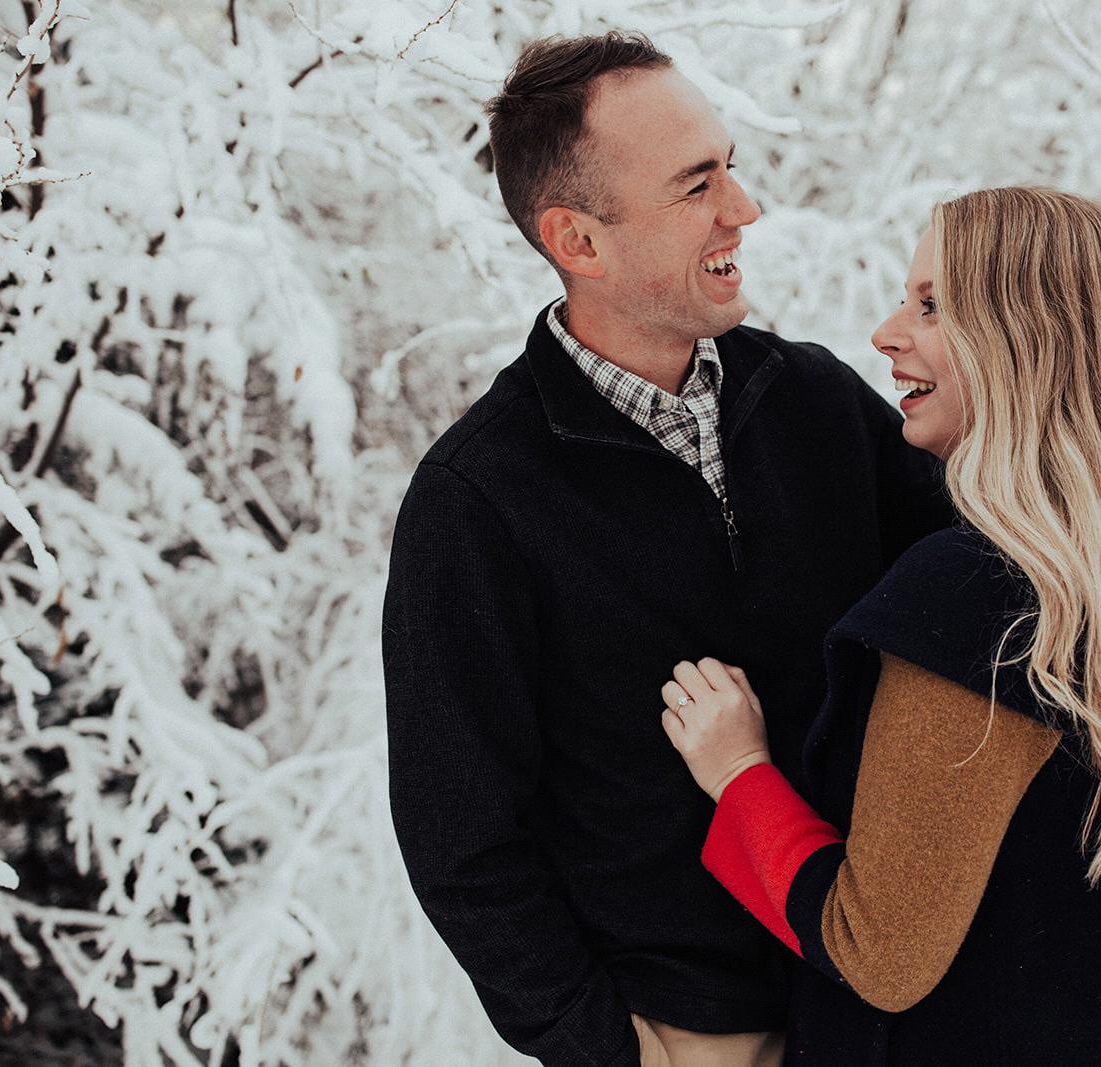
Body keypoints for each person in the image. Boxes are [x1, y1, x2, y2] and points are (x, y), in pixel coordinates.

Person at [379, 31, 957, 1067]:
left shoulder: (818, 403)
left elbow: (994, 591)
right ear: (579, 241)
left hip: (887, 1003)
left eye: (730, 167)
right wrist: (613, 1048)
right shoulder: (477, 502)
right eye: (698, 185)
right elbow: (461, 841)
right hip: (703, 1034)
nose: (745, 207)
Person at [659, 187, 1101, 1065]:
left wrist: (738, 771)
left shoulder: (979, 600)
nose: (886, 333)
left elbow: (880, 951)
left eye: (933, 306)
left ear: (1031, 343)